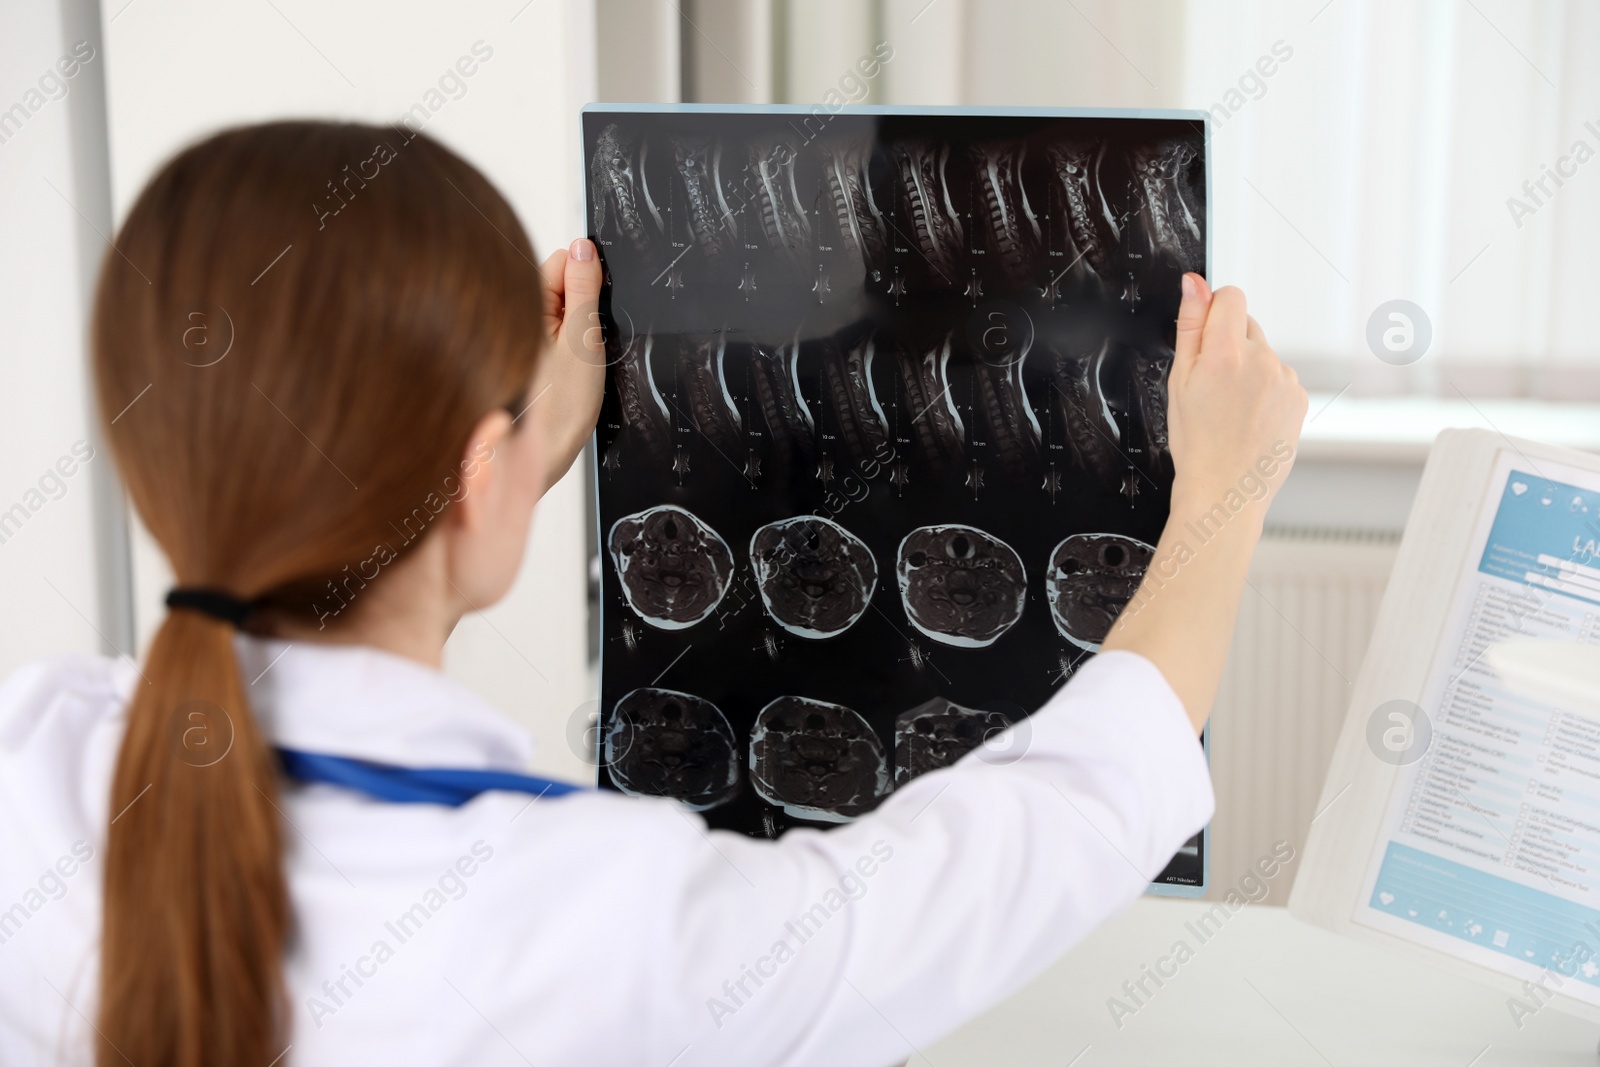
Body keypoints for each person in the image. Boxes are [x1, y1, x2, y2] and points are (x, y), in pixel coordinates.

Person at [0, 122, 1306, 1067]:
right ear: (473, 475)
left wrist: (498, 472)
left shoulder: (32, 762)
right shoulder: (602, 927)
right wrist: (1223, 500)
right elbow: (1056, 823)